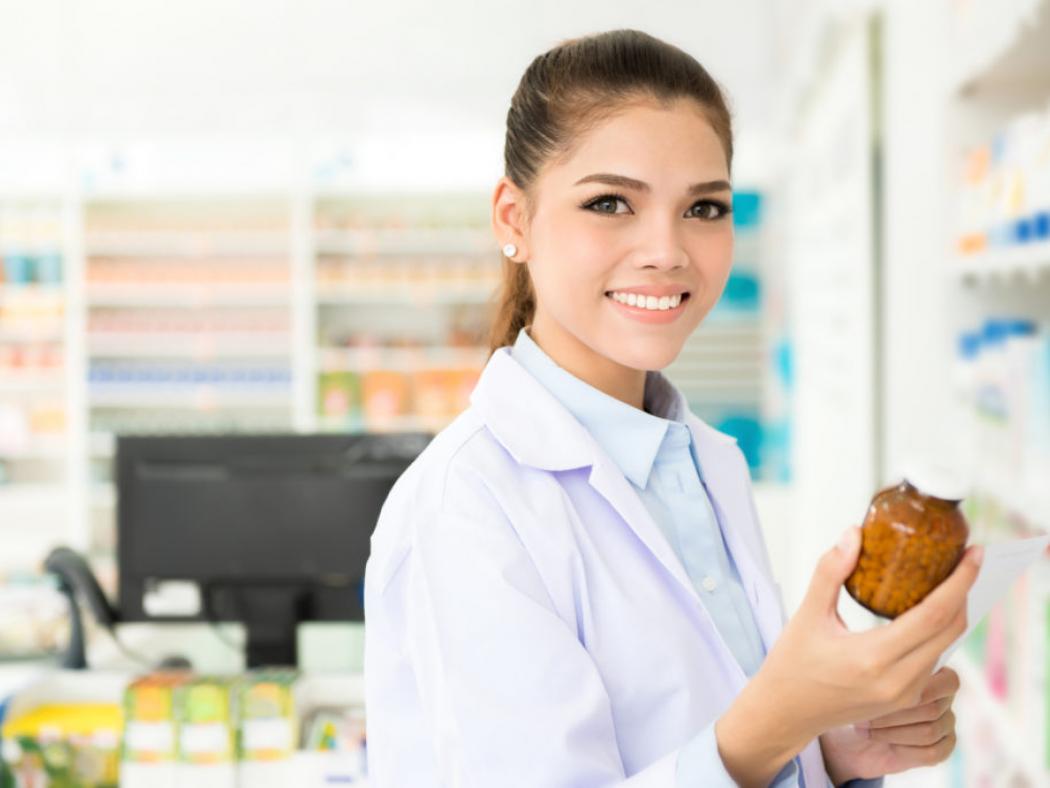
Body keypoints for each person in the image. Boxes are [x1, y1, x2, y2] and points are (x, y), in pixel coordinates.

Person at [363, 28, 982, 787]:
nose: (667, 250)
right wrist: (780, 721)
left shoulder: (700, 462)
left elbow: (704, 737)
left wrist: (833, 750)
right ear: (513, 220)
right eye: (611, 202)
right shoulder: (464, 507)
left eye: (704, 208)